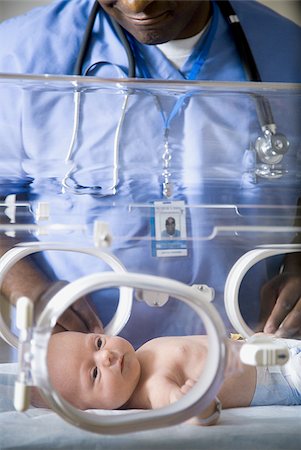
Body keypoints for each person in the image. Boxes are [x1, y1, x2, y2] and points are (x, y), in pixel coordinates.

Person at [0, 1, 301, 347]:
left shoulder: (287, 52)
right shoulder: (20, 55)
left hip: (245, 363)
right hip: (81, 372)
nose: (136, 4)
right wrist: (25, 284)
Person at [45, 330, 301, 424]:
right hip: (284, 378)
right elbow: (192, 412)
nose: (106, 356)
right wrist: (197, 404)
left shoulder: (143, 351)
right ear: (91, 409)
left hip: (272, 350)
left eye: (98, 343)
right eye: (94, 373)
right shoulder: (151, 390)